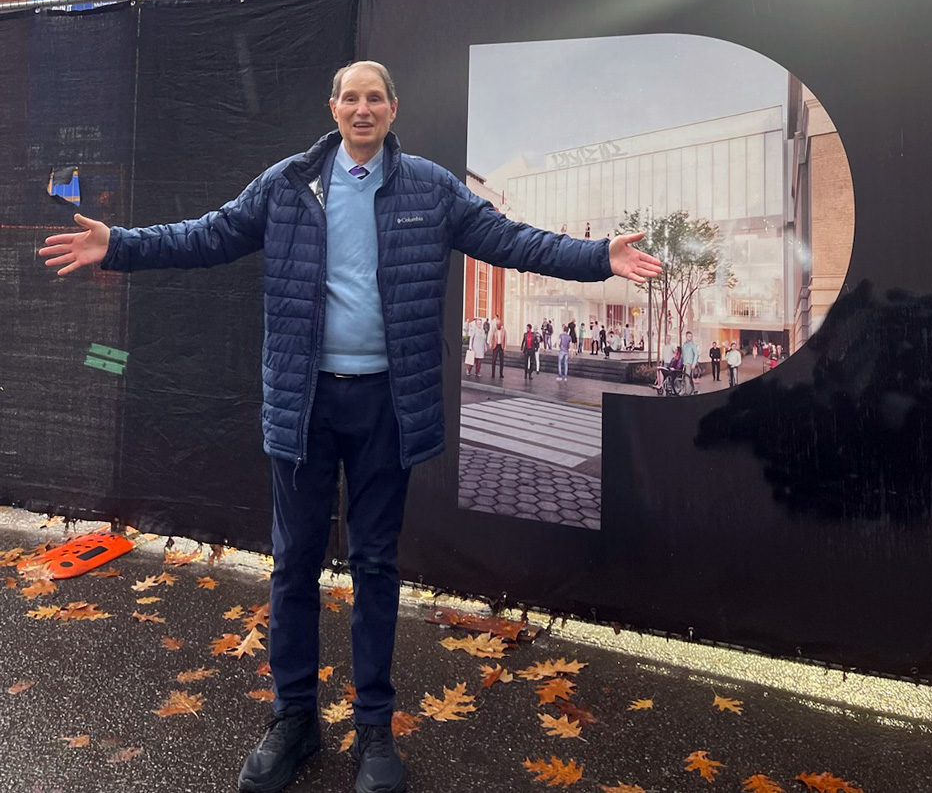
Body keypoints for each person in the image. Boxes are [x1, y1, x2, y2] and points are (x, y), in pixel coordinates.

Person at [39, 59, 662, 793]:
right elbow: (210, 235)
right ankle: (294, 718)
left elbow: (512, 240)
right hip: (303, 404)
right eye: (350, 97)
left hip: (385, 408)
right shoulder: (288, 183)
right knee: (294, 564)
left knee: (374, 566)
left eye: (375, 97)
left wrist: (598, 257)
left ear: (393, 108)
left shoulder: (430, 187)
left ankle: (373, 728)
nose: (362, 108)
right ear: (333, 106)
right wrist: (122, 243)